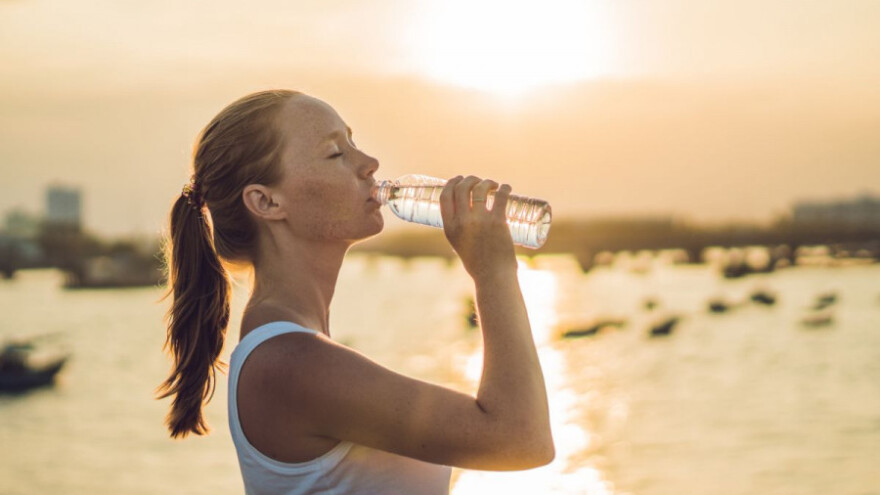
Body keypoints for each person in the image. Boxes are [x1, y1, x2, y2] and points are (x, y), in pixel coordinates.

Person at [157, 90, 554, 494]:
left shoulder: (293, 349)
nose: (369, 163)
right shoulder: (288, 362)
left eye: (353, 142)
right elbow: (521, 439)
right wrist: (493, 271)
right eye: (335, 153)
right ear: (266, 201)